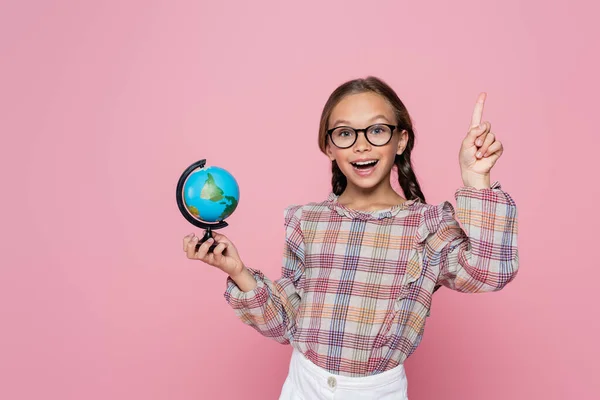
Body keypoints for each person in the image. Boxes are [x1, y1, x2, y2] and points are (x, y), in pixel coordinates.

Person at [182, 76, 519, 399]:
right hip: (304, 386)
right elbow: (288, 325)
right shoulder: (307, 220)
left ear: (400, 140)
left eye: (376, 130)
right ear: (328, 147)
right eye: (345, 133)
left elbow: (489, 272)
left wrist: (476, 180)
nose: (361, 145)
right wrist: (239, 271)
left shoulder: (426, 225)